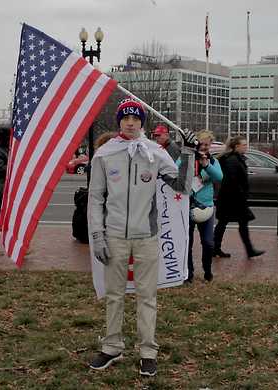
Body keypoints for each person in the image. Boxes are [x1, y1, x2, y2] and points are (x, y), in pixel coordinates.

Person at [87, 98, 195, 377]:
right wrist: (97, 235)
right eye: (126, 118)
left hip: (147, 236)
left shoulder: (154, 152)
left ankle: (148, 351)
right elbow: (95, 198)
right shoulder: (105, 154)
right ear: (119, 121)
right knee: (114, 295)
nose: (131, 123)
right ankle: (112, 346)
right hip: (114, 236)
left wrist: (190, 153)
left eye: (136, 119)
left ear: (142, 123)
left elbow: (181, 186)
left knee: (147, 296)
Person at [213, 136, 264, 259]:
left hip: (232, 198)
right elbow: (232, 180)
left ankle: (217, 248)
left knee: (231, 223)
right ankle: (217, 248)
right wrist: (242, 194)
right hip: (233, 198)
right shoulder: (232, 160)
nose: (246, 147)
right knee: (228, 223)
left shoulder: (235, 159)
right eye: (244, 145)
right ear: (237, 147)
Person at [186, 130, 222, 282]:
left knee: (208, 242)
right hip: (187, 207)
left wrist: (206, 165)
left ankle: (207, 270)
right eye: (201, 143)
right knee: (187, 243)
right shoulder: (188, 158)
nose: (204, 147)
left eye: (207, 144)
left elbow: (219, 177)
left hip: (206, 207)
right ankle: (189, 273)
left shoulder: (213, 161)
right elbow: (176, 169)